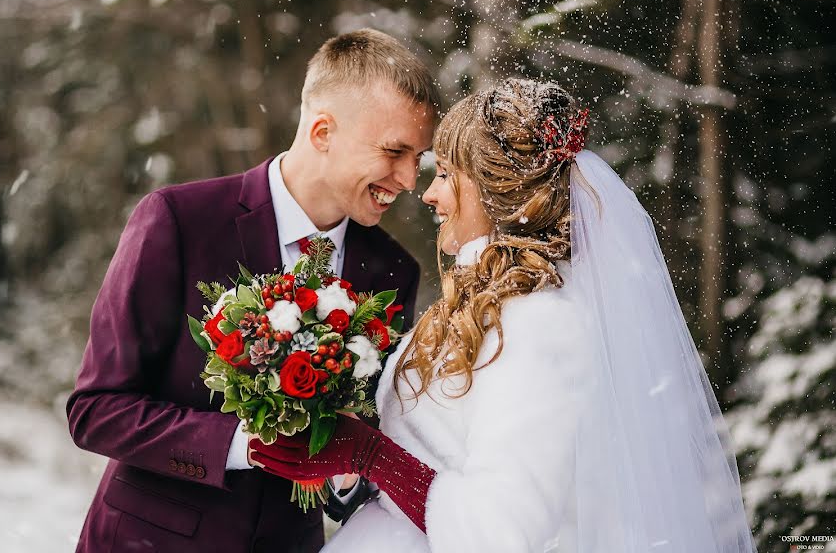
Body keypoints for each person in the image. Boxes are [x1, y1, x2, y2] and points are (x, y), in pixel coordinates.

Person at [251, 79, 757, 552]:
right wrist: (344, 465)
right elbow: (425, 461)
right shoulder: (470, 306)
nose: (428, 193)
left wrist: (371, 456)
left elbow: (500, 532)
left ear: (497, 190)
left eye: (447, 174)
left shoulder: (539, 325)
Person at [66, 28, 438, 552]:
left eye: (417, 157)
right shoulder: (179, 221)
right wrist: (243, 445)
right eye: (394, 151)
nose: (408, 179)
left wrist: (345, 472)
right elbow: (96, 410)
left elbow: (355, 474)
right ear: (323, 131)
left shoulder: (393, 271)